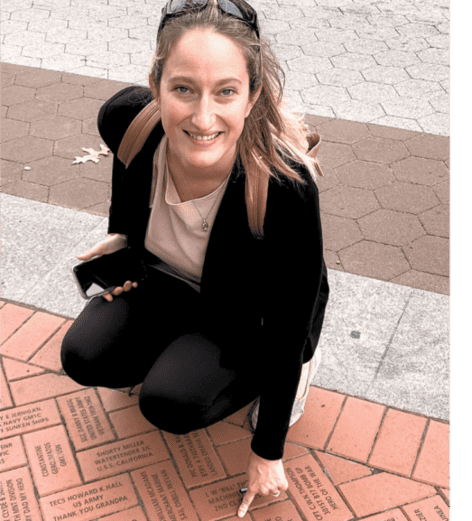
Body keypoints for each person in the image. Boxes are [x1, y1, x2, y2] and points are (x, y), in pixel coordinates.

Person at [60, 0, 329, 517]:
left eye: (225, 91)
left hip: (250, 313)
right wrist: (122, 236)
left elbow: (292, 315)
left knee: (171, 404)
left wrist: (267, 449)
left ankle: (295, 373)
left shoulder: (282, 185)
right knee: (84, 356)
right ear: (156, 84)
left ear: (252, 97)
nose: (203, 118)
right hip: (165, 283)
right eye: (183, 88)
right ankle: (175, 353)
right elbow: (126, 171)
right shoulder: (128, 121)